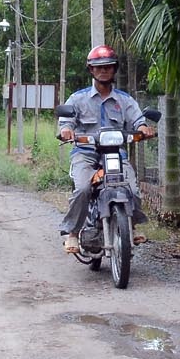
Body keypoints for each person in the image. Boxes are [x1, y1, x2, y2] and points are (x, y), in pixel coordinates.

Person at [56, 46, 150, 254]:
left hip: (116, 153)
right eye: (98, 67)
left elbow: (138, 119)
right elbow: (66, 121)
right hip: (85, 153)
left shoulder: (124, 100)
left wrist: (143, 128)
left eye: (108, 66)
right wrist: (66, 130)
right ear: (91, 70)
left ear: (114, 69)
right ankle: (73, 233)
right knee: (82, 188)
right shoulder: (78, 98)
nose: (103, 71)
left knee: (132, 188)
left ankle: (130, 226)